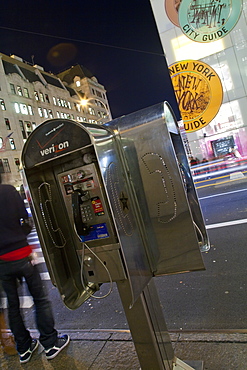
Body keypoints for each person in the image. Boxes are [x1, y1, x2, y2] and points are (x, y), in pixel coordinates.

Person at [0, 176, 70, 364]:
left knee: (13, 306)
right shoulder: (8, 191)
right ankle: (50, 342)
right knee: (39, 298)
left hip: (2, 262)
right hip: (22, 253)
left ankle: (24, 348)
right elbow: (24, 219)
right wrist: (18, 236)